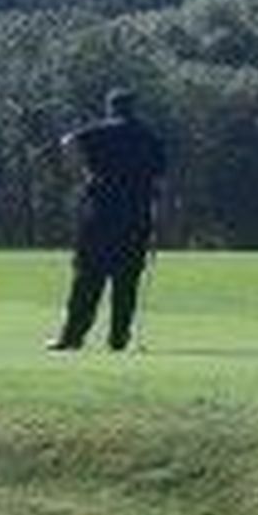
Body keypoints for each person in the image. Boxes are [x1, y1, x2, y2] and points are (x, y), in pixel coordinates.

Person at [45, 88, 167, 353]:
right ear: (134, 108)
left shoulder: (99, 131)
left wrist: (82, 172)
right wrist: (158, 220)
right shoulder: (150, 137)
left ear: (110, 108)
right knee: (127, 282)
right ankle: (118, 339)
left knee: (88, 277)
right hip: (137, 217)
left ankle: (72, 337)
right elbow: (160, 183)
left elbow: (67, 142)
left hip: (99, 215)